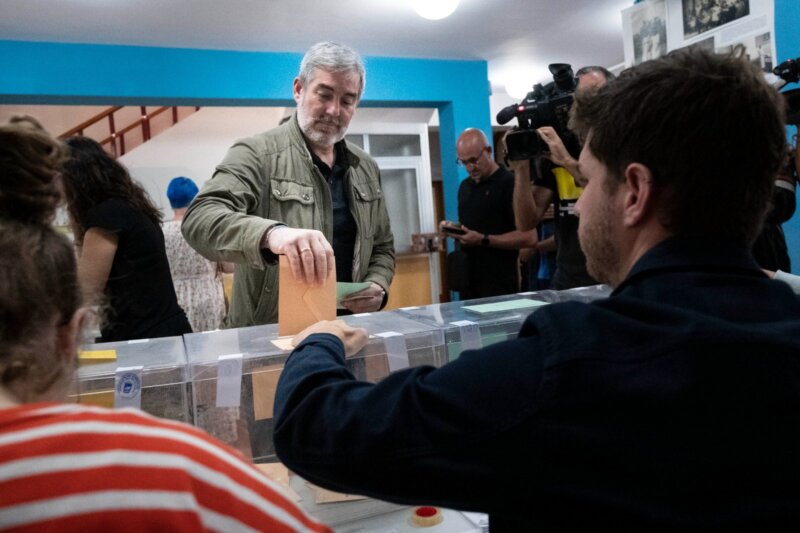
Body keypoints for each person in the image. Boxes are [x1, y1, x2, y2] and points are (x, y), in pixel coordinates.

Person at [273, 51, 800, 530]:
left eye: (588, 181)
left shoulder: (573, 366)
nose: (580, 205)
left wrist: (320, 340)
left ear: (635, 193)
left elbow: (319, 429)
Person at [0, 123, 330, 532]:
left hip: (151, 337)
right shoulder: (167, 467)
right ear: (69, 335)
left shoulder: (107, 219)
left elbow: (87, 286)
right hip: (177, 326)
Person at [182, 41, 395, 327]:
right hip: (272, 339)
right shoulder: (257, 153)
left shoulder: (365, 167)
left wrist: (379, 286)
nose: (334, 110)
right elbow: (199, 219)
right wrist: (272, 235)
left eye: (347, 100)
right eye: (325, 94)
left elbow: (382, 246)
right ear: (298, 89)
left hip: (348, 332)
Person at [61, 137, 191, 342]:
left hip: (143, 338)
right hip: (163, 329)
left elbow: (86, 290)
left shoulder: (106, 216)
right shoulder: (129, 207)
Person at [511, 65, 614, 290]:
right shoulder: (558, 147)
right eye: (578, 97)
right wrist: (521, 168)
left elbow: (613, 194)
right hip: (568, 276)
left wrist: (566, 161)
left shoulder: (618, 144)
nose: (584, 104)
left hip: (613, 276)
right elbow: (526, 222)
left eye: (594, 95)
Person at [443, 128, 536, 299]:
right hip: (468, 284)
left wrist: (484, 239)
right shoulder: (465, 187)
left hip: (500, 285)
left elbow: (529, 237)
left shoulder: (510, 184)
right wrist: (455, 230)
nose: (470, 167)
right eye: (463, 162)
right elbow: (475, 223)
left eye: (473, 160)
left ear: (488, 151)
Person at [163, 176, 231, 332]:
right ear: (196, 197)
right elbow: (228, 267)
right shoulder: (205, 229)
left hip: (176, 298)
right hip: (208, 297)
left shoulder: (161, 231)